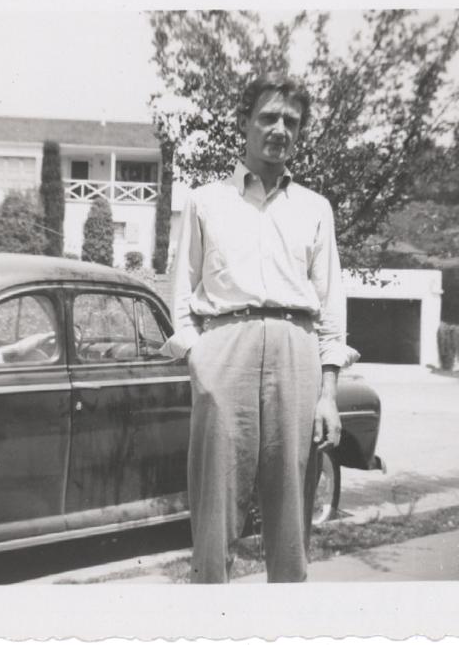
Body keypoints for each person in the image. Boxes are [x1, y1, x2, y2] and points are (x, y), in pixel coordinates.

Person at [161, 72, 360, 583]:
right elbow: (181, 291)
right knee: (214, 505)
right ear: (243, 123)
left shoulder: (316, 208)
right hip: (224, 349)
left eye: (291, 121)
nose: (279, 129)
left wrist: (328, 393)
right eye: (268, 117)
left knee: (292, 508)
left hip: (297, 352)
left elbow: (329, 303)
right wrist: (198, 360)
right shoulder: (206, 201)